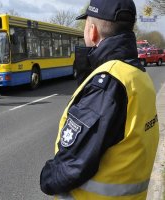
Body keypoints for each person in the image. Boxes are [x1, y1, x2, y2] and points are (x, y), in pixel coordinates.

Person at [40, 0, 159, 199]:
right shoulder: (137, 75)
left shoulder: (107, 83)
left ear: (92, 31)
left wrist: (46, 176)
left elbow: (70, 169)